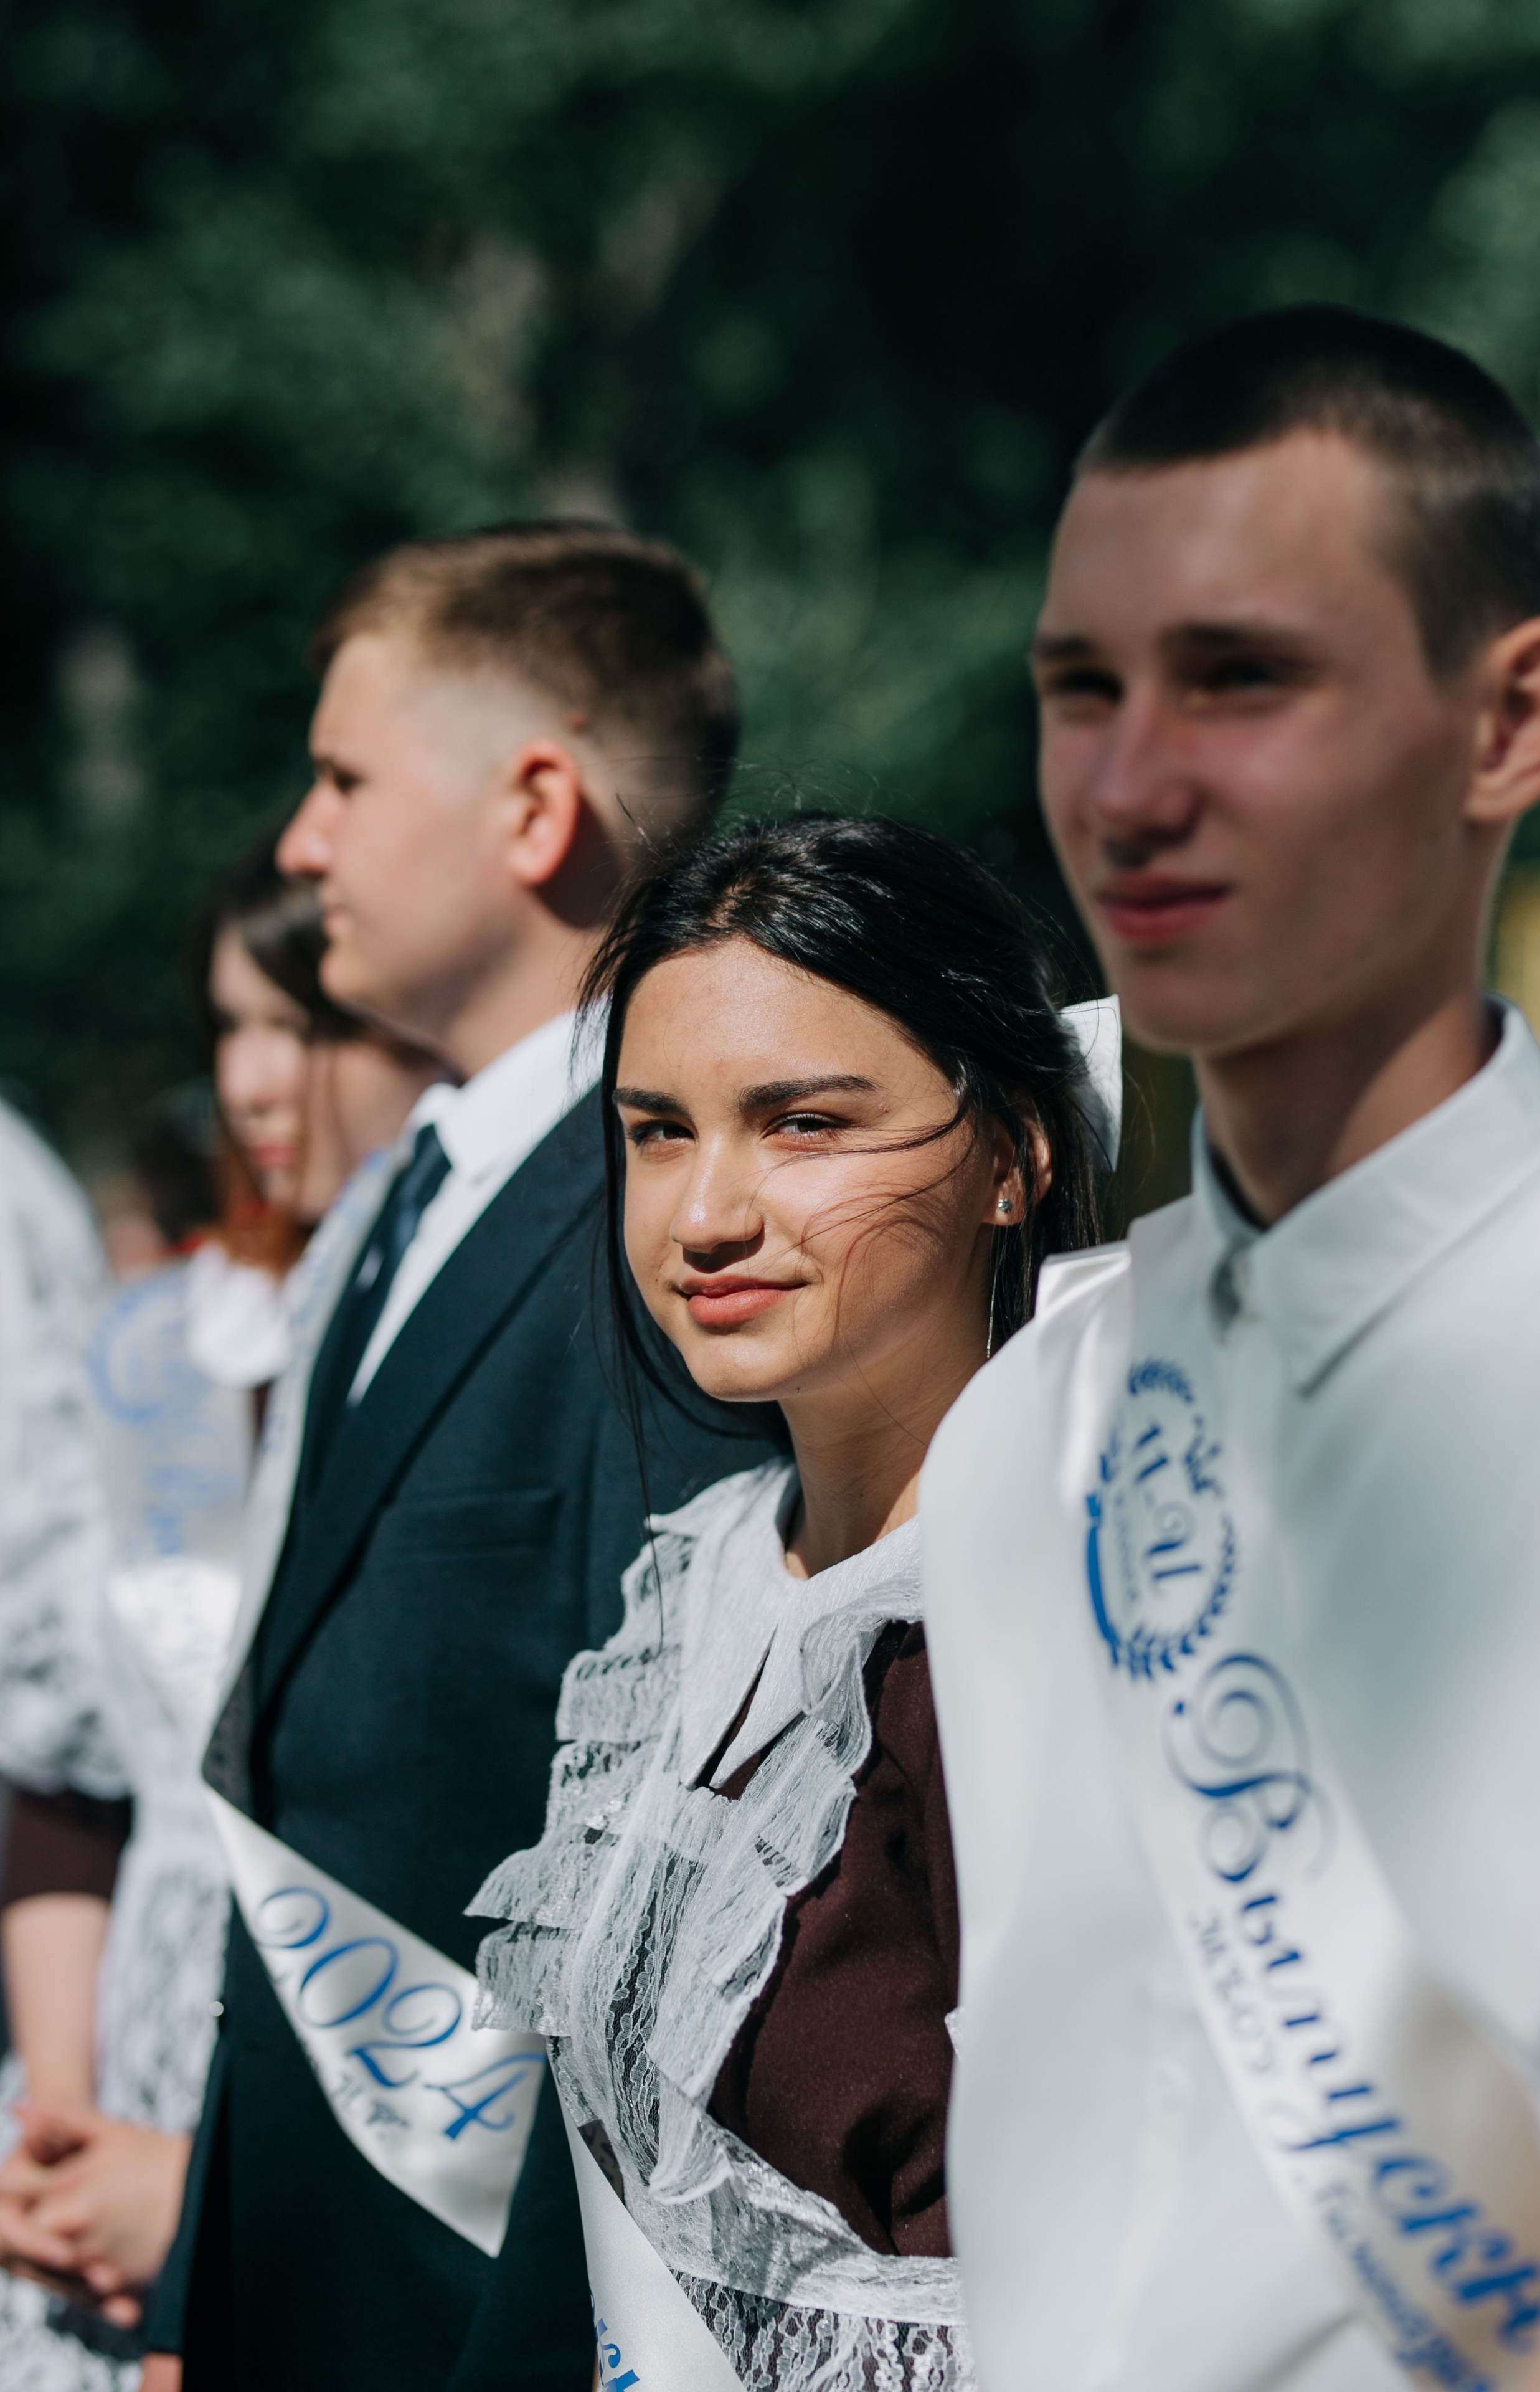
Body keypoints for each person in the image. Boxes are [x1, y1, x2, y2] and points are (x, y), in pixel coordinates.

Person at [919, 305, 1540, 2392]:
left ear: (1512, 723)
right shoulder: (1021, 1431)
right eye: (1078, 691)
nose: (1128, 787)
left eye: (1240, 680)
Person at [143, 523, 777, 2392]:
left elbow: (673, 1846)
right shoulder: (411, 1191)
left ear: (533, 809)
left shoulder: (664, 1222)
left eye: (343, 781)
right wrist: (204, 2286)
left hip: (483, 2310)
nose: (298, 843)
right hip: (301, 2273)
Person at [469, 812, 1114, 2390]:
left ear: (1017, 1153)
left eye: (802, 1122)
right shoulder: (692, 1587)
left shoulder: (1065, 1630)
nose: (705, 1216)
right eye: (657, 1131)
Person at [0, 848, 437, 2389]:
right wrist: (57, 2133)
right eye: (227, 1027)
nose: (256, 1080)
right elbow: (63, 1769)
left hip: (347, 2101)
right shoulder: (145, 1358)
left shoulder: (453, 1369)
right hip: (98, 2089)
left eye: (303, 1028)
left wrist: (196, 2199)